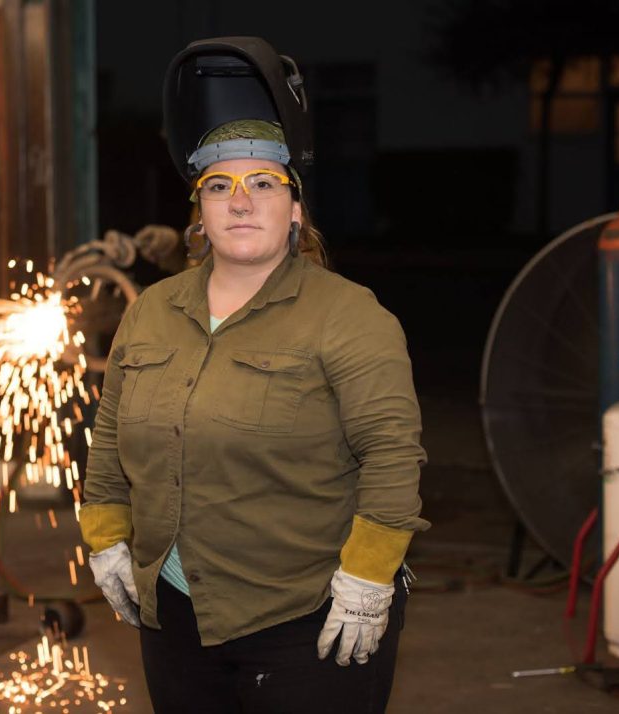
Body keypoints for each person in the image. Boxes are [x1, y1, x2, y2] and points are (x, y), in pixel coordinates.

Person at [79, 37, 428, 713]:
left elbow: (391, 457)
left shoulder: (349, 316)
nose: (240, 201)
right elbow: (110, 439)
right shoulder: (151, 311)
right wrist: (106, 540)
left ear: (295, 209)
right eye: (219, 186)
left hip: (305, 618)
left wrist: (367, 578)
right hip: (175, 615)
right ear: (201, 213)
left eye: (262, 184)